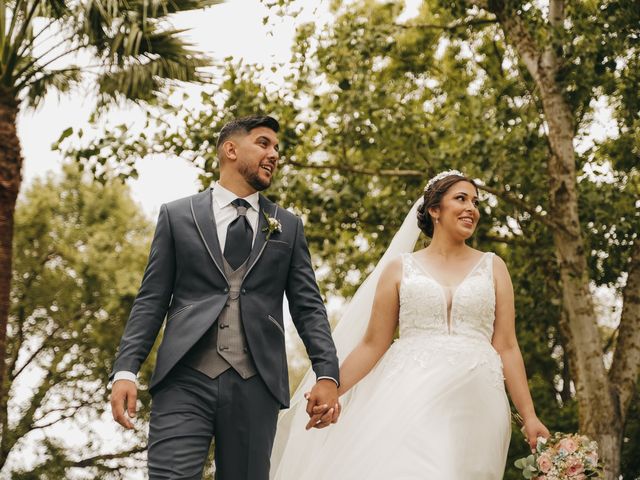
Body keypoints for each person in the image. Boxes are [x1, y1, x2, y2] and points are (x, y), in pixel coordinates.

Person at [271, 170, 549, 480]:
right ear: (434, 210)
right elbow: (373, 344)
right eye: (461, 199)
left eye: (475, 202)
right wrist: (334, 388)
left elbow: (507, 346)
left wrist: (530, 417)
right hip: (411, 394)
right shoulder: (400, 268)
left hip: (479, 401)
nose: (472, 208)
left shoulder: (493, 266)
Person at [109, 115, 340, 480]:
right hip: (184, 377)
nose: (274, 154)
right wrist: (125, 370)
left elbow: (308, 307)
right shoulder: (177, 215)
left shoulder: (288, 227)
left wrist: (327, 375)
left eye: (277, 147)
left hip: (256, 383)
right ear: (230, 150)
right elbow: (151, 299)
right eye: (264, 143)